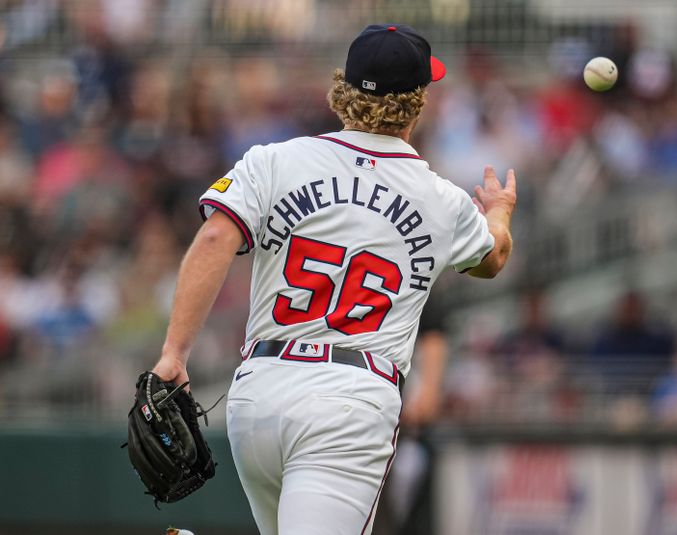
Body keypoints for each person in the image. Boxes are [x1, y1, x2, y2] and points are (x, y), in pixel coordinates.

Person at [149, 24, 517, 535]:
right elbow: (492, 258)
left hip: (260, 390)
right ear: (417, 103)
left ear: (343, 88)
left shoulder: (273, 160)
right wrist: (498, 212)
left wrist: (174, 353)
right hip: (350, 397)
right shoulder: (443, 199)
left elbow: (214, 240)